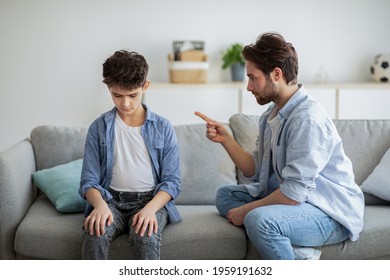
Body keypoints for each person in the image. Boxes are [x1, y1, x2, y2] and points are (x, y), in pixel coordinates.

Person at [195, 32, 364, 260]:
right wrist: (227, 140)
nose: (248, 87)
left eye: (253, 78)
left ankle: (289, 252)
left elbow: (294, 194)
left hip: (329, 213)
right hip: (298, 202)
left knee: (258, 220)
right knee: (225, 196)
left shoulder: (307, 118)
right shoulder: (271, 115)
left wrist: (247, 211)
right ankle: (291, 250)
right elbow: (255, 170)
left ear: (276, 74)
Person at [79, 50, 181, 260]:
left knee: (146, 236)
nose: (125, 104)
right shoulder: (98, 128)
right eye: (117, 95)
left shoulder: (163, 127)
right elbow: (88, 180)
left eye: (133, 95)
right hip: (110, 200)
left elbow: (172, 182)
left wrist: (151, 209)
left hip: (149, 200)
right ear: (109, 89)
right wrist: (99, 206)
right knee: (94, 233)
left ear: (146, 86)